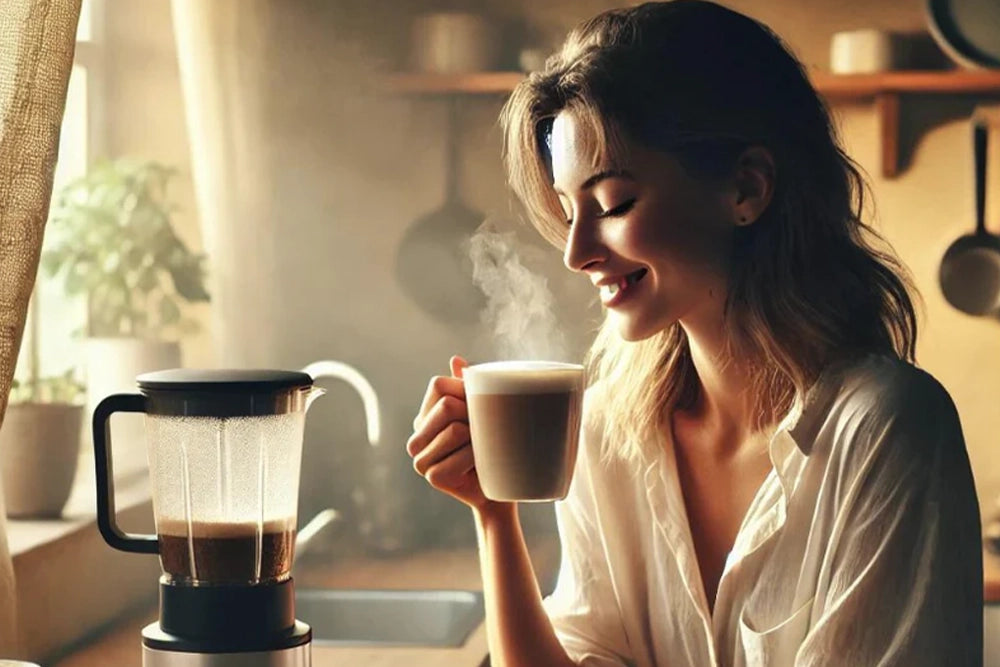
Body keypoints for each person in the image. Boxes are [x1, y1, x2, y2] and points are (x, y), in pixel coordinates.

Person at [405, 2, 983, 665]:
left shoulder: (885, 427)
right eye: (568, 212)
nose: (578, 252)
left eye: (615, 204)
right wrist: (493, 513)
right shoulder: (604, 431)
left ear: (746, 188)